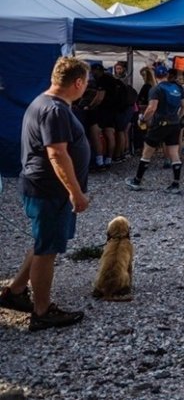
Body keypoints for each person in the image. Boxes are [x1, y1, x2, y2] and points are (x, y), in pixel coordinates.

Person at [1, 57, 90, 331]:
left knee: (44, 241)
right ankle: (42, 311)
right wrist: (75, 192)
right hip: (50, 190)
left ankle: (15, 291)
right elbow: (57, 154)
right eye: (86, 82)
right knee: (47, 250)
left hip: (44, 188)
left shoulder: (43, 102)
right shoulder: (55, 110)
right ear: (78, 83)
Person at [124, 66, 184, 193]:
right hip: (174, 123)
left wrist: (143, 119)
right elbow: (183, 106)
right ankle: (175, 184)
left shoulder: (156, 89)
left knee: (147, 152)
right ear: (167, 75)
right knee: (174, 153)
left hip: (160, 124)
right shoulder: (178, 87)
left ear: (155, 76)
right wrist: (177, 118)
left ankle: (137, 181)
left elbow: (152, 108)